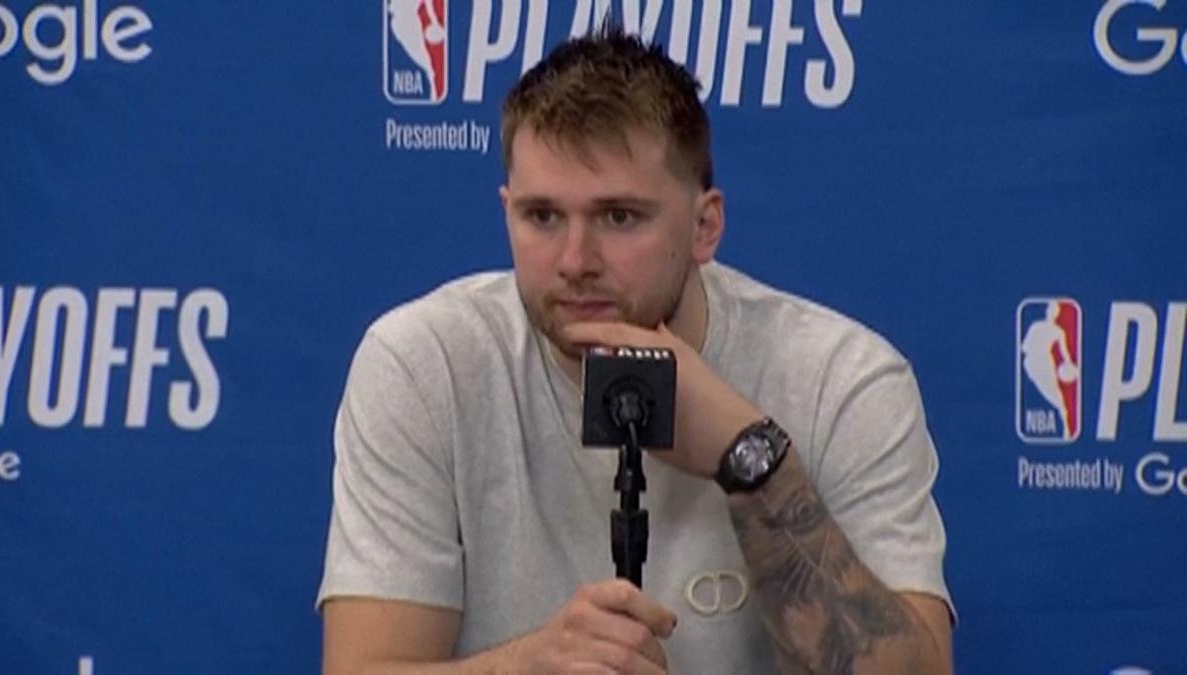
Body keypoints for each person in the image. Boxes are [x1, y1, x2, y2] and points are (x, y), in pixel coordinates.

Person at [318, 26, 954, 674]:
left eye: (619, 217)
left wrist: (752, 460)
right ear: (506, 211)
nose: (575, 261)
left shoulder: (840, 379)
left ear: (704, 225)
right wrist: (532, 665)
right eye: (542, 217)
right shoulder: (424, 364)